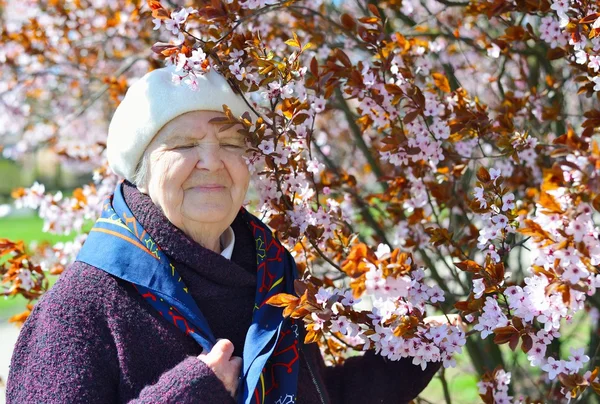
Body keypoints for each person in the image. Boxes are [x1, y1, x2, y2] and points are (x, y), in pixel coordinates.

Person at [6, 65, 440, 404]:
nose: (213, 161)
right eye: (182, 144)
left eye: (231, 143)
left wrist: (408, 355)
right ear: (140, 170)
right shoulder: (83, 306)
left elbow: (305, 395)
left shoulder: (270, 274)